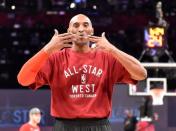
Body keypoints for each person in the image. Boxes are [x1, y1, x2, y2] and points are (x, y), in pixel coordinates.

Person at [17, 14, 147, 131]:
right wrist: (47, 49)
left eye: (85, 25)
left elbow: (141, 74)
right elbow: (23, 79)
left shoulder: (107, 57)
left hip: (99, 126)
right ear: (69, 31)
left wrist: (112, 49)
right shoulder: (55, 58)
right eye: (76, 25)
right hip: (64, 126)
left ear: (91, 31)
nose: (80, 29)